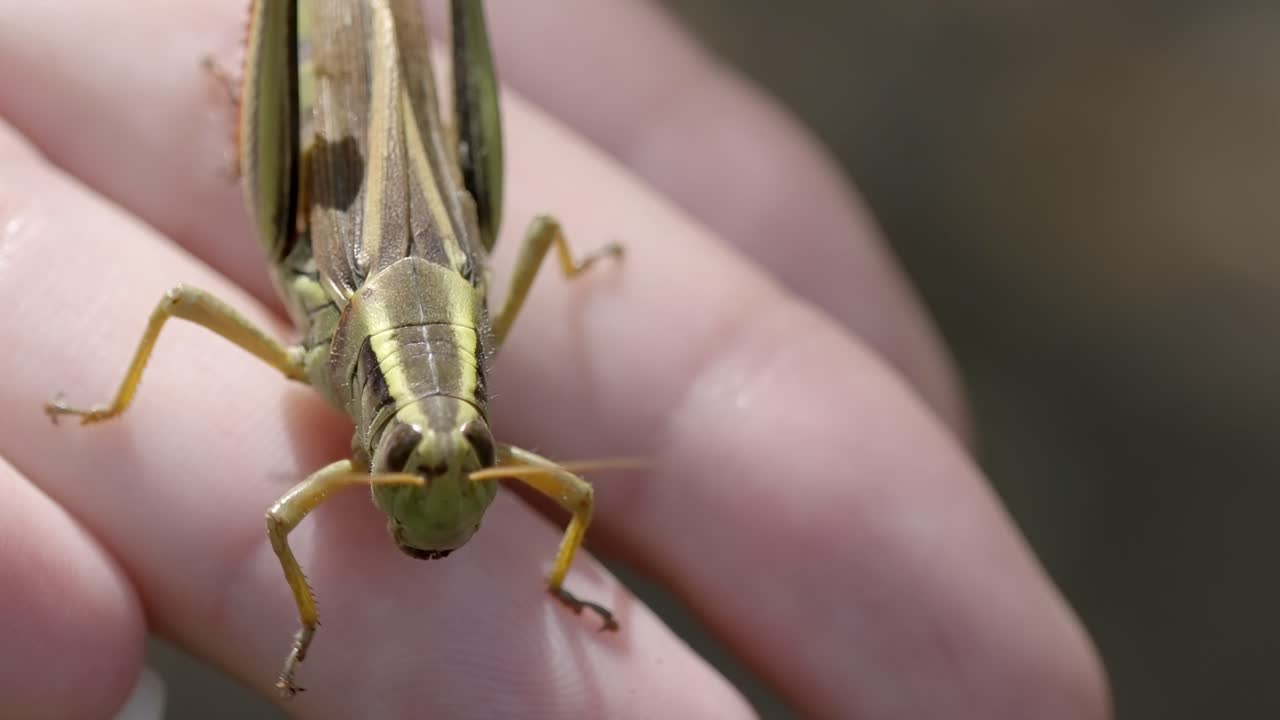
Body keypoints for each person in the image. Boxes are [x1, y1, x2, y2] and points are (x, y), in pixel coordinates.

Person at [0, 2, 1109, 718]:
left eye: (454, 457)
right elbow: (200, 339)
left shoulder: (463, 445)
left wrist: (553, 578)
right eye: (441, 460)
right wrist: (113, 411)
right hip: (328, 239)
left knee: (493, 214)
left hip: (426, 209)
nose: (441, 470)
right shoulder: (335, 391)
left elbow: (564, 497)